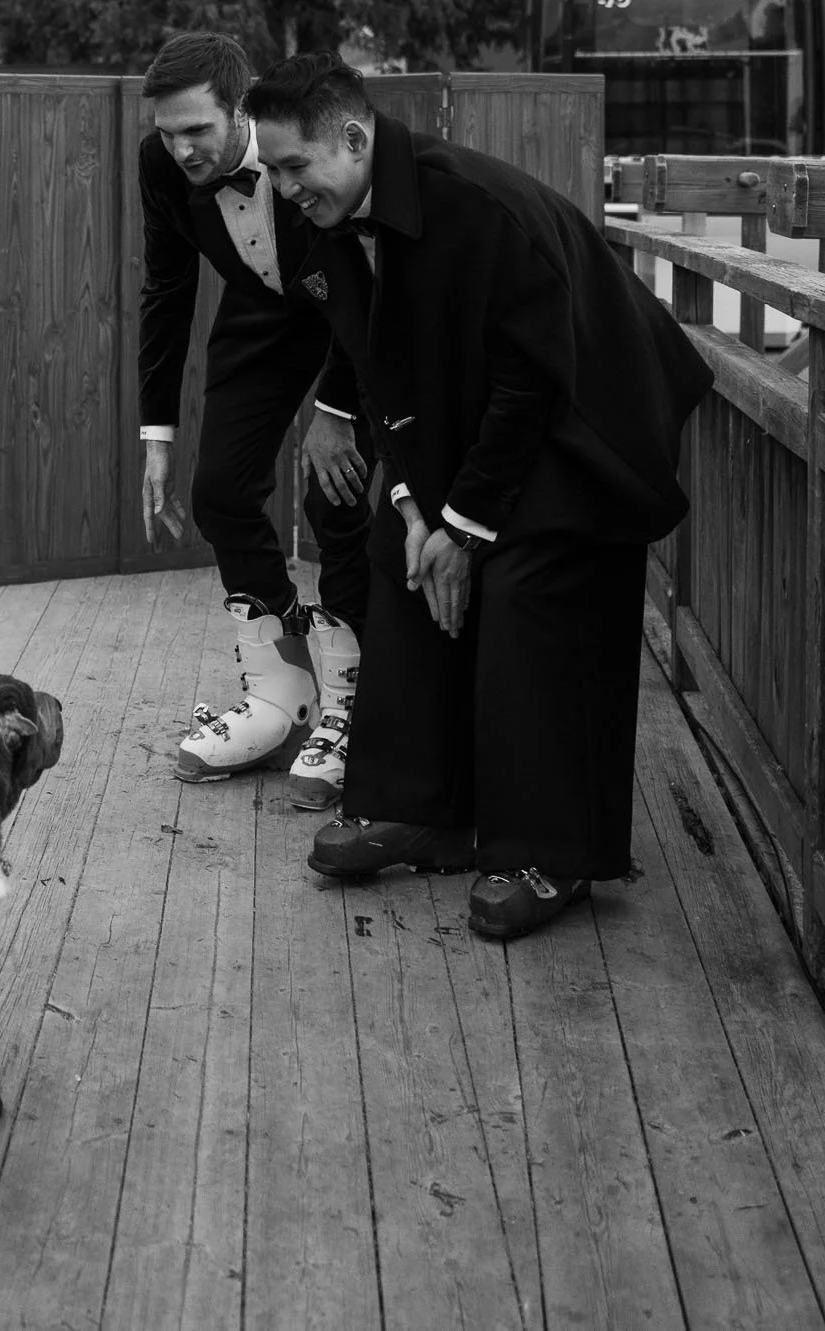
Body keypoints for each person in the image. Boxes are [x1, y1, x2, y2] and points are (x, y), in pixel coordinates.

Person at [247, 52, 713, 938]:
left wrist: (464, 526)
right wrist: (422, 513)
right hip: (484, 412)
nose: (282, 185)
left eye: (292, 166)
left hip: (591, 411)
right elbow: (377, 357)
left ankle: (555, 854)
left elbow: (530, 380)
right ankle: (420, 805)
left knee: (535, 579)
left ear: (353, 138)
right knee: (400, 556)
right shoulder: (333, 208)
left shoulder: (471, 206)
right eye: (270, 167)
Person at [137, 32, 374, 809]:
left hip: (358, 309)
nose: (179, 149)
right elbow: (167, 292)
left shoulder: (299, 137)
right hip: (262, 310)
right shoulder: (161, 165)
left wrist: (335, 411)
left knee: (336, 489)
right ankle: (283, 697)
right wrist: (157, 438)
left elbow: (369, 276)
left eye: (196, 130)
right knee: (220, 493)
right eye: (167, 132)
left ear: (240, 109)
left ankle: (355, 705)